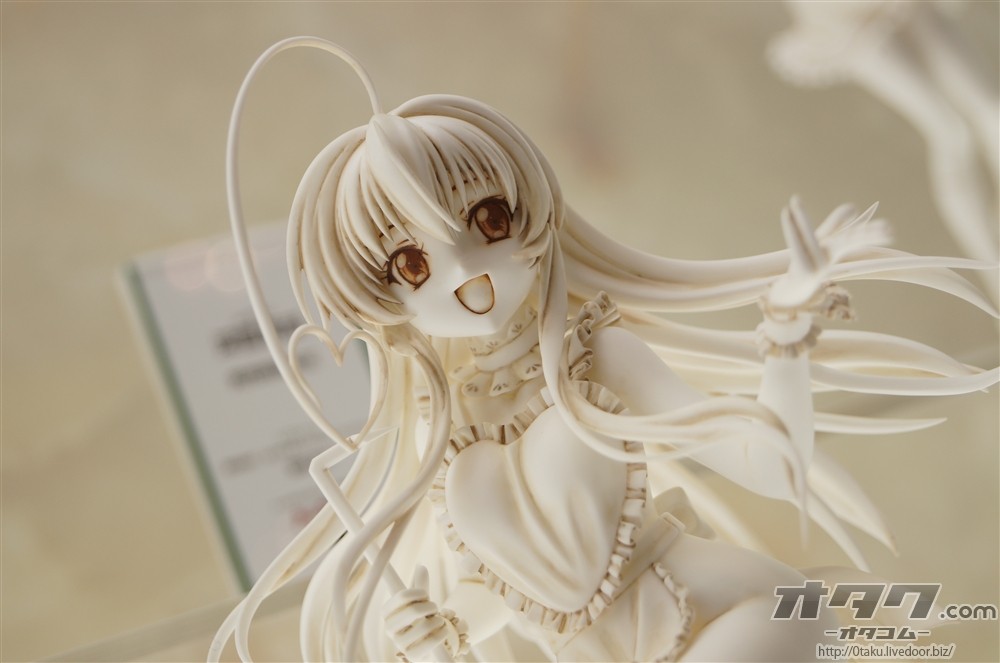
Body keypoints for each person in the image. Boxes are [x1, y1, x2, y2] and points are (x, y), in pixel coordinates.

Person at [212, 38, 997, 662]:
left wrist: (785, 341)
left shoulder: (595, 354)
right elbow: (514, 584)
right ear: (381, 297)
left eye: (488, 221)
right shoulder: (441, 429)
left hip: (734, 614)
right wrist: (440, 629)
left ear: (531, 215)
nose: (464, 273)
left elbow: (767, 465)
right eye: (411, 263)